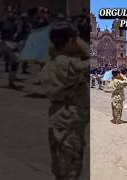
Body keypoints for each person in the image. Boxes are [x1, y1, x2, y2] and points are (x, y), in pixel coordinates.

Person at [41, 22, 88, 180]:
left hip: (57, 117)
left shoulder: (52, 60)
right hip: (70, 122)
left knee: (60, 169)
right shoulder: (70, 64)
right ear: (69, 41)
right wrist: (80, 43)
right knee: (71, 170)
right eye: (74, 40)